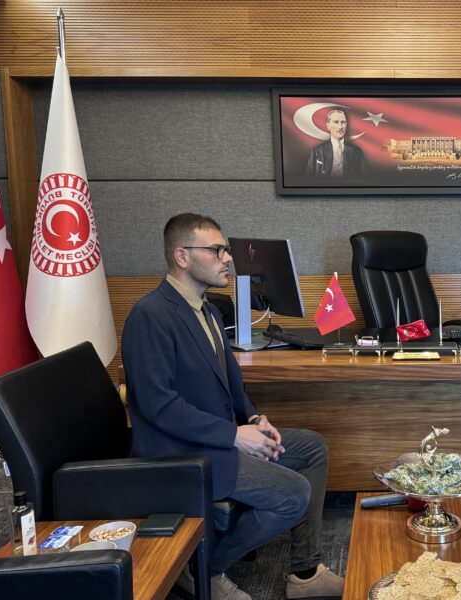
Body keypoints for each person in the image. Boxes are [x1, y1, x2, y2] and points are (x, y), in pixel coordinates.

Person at [122, 213, 344, 600]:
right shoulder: (150, 315)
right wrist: (234, 435)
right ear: (182, 256)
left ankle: (305, 572)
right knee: (293, 494)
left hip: (216, 440)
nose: (227, 258)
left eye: (224, 249)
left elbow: (232, 385)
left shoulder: (207, 310)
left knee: (312, 448)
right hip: (181, 452)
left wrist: (254, 418)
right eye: (216, 250)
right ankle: (202, 570)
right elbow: (159, 406)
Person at [305, 108, 366, 178]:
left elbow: (363, 179)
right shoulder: (316, 151)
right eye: (336, 122)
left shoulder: (357, 152)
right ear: (328, 125)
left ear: (346, 126)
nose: (340, 127)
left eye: (343, 122)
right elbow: (308, 180)